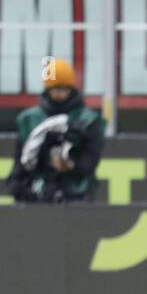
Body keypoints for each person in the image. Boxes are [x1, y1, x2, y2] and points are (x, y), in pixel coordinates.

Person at [7, 59, 105, 203]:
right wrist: (18, 185)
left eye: (65, 88)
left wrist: (71, 165)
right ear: (48, 89)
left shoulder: (89, 119)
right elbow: (21, 160)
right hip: (38, 192)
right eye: (56, 88)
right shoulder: (30, 119)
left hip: (76, 193)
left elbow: (91, 157)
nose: (60, 93)